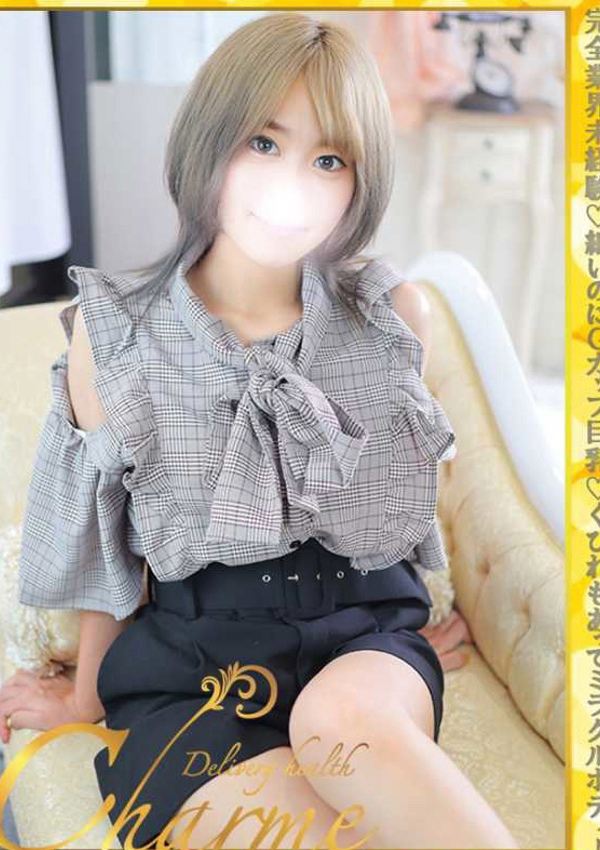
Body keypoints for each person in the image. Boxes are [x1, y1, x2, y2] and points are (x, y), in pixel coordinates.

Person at [2, 12, 518, 850]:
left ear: (359, 182)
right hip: (194, 672)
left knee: (338, 716)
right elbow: (107, 542)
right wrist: (85, 695)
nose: (293, 185)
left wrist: (415, 620)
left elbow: (394, 501)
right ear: (211, 140)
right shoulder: (117, 332)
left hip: (362, 651)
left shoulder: (391, 316)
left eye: (329, 160)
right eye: (264, 143)